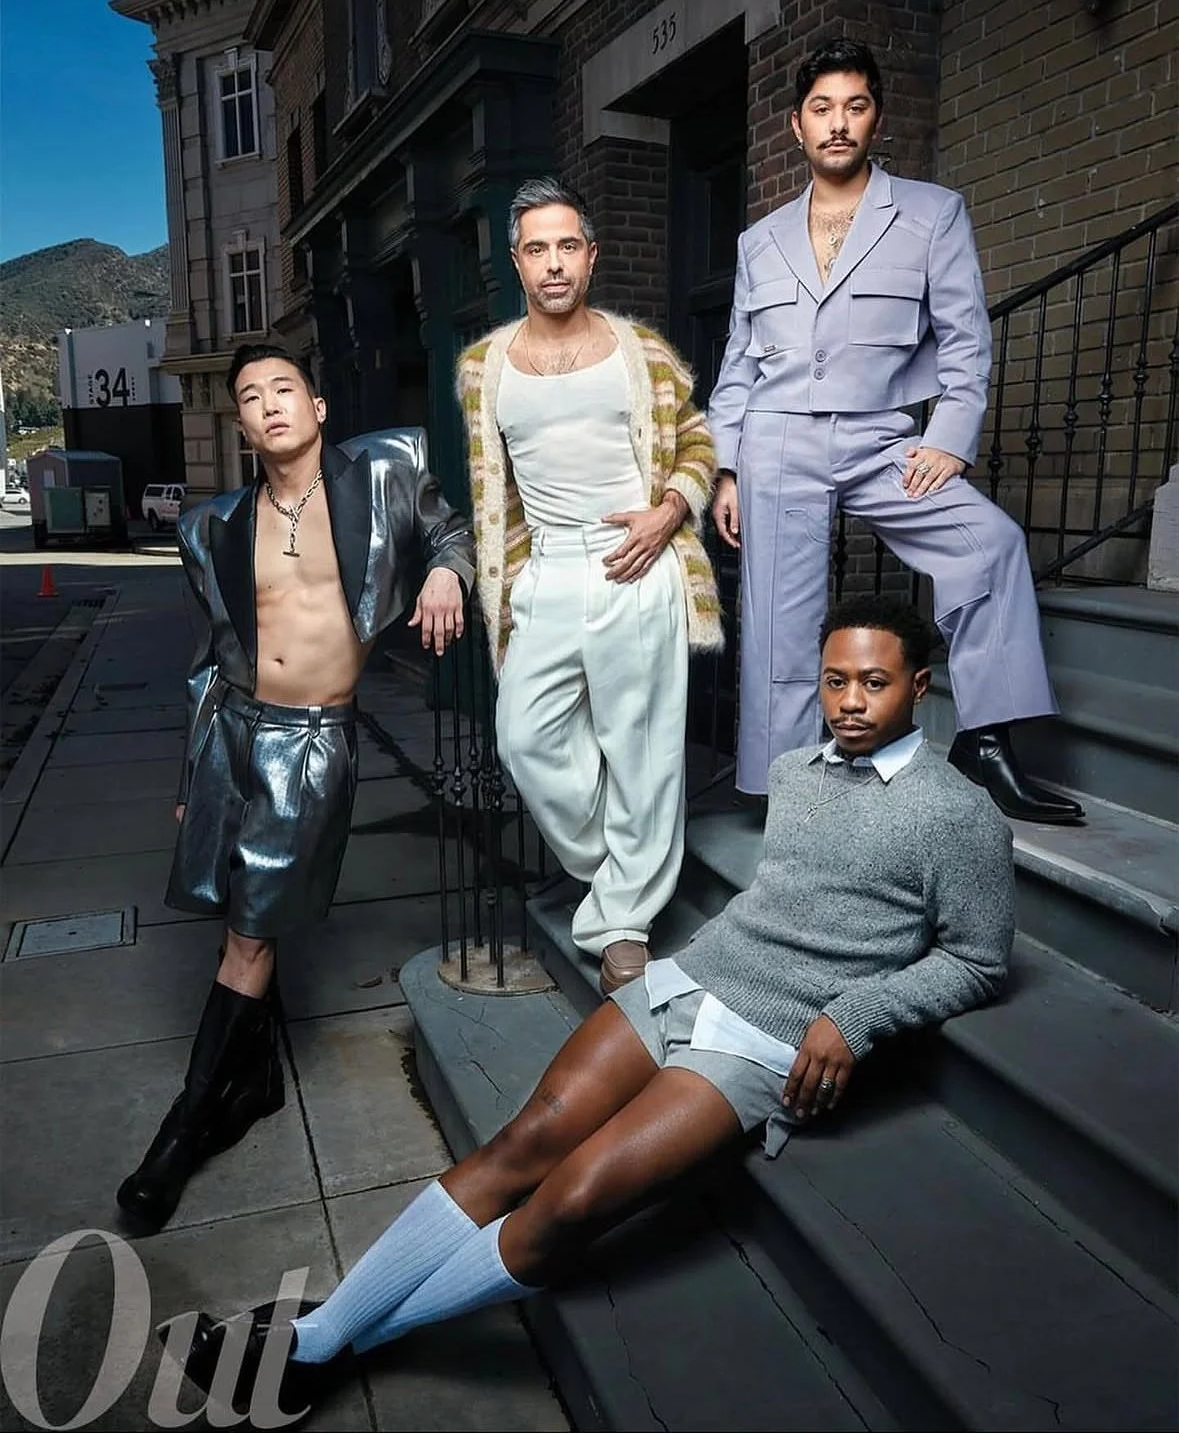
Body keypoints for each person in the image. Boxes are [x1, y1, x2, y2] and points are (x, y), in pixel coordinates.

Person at [166, 595, 1014, 1422]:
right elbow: (783, 900)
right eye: (834, 682)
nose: (850, 703)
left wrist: (855, 1015)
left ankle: (314, 1345)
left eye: (873, 683)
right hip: (695, 976)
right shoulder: (797, 774)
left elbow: (977, 959)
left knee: (570, 1202)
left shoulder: (955, 813)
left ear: (919, 686)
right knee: (526, 1138)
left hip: (770, 1033)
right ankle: (320, 1341)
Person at [116, 344, 475, 1233]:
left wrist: (441, 571)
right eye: (250, 397)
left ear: (317, 404)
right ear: (240, 425)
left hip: (310, 743)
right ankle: (259, 1082)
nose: (269, 404)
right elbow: (209, 658)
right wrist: (190, 771)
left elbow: (454, 533)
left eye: (284, 388)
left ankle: (184, 1129)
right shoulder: (211, 527)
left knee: (247, 935)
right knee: (238, 908)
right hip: (228, 731)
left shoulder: (386, 471)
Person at [708, 37, 1083, 826]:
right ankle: (786, 793)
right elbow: (738, 362)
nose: (836, 123)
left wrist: (948, 434)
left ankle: (984, 739)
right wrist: (728, 468)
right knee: (780, 630)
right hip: (775, 441)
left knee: (990, 544)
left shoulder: (930, 213)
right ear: (795, 127)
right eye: (820, 109)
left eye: (853, 105)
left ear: (874, 117)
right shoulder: (757, 241)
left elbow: (964, 336)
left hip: (882, 439)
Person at [456, 176, 724, 996]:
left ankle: (623, 925)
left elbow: (698, 440)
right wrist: (489, 575)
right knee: (525, 739)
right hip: (546, 572)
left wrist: (669, 510)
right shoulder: (481, 367)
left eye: (567, 245)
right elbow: (488, 491)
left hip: (635, 559)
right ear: (516, 262)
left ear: (591, 254)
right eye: (536, 249)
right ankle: (622, 863)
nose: (553, 263)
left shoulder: (641, 352)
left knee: (642, 751)